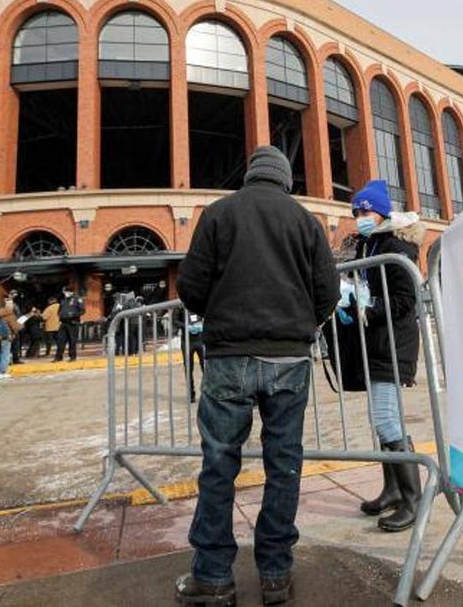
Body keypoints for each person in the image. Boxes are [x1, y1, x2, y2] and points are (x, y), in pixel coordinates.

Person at [174, 145, 339, 607]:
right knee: (283, 465)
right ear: (285, 179)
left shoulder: (218, 215)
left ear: (250, 176)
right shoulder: (305, 221)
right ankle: (275, 574)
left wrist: (222, 314)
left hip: (229, 355)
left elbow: (190, 286)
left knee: (219, 466)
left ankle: (212, 577)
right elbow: (328, 290)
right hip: (289, 359)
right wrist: (298, 324)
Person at [348, 179, 424, 533]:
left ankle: (412, 499)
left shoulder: (396, 245)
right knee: (383, 421)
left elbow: (405, 301)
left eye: (365, 210)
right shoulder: (370, 244)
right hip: (377, 343)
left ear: (381, 211)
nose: (359, 216)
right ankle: (393, 490)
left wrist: (370, 307)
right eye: (356, 212)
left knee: (387, 419)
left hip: (394, 343)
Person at [0, 295, 21, 372]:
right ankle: (3, 371)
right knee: (5, 353)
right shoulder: (10, 315)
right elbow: (17, 326)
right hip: (8, 336)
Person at [62, 287, 84, 361]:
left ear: (70, 292)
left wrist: (73, 314)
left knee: (72, 340)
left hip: (73, 322)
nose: (65, 293)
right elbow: (60, 309)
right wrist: (60, 315)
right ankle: (58, 357)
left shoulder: (77, 299)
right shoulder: (63, 300)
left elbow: (82, 311)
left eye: (65, 291)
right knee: (61, 340)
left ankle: (72, 357)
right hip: (63, 322)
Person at [43, 294, 63, 361]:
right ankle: (60, 352)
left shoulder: (49, 308)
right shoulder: (60, 306)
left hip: (50, 327)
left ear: (50, 301)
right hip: (58, 326)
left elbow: (44, 317)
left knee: (49, 341)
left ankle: (48, 352)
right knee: (59, 341)